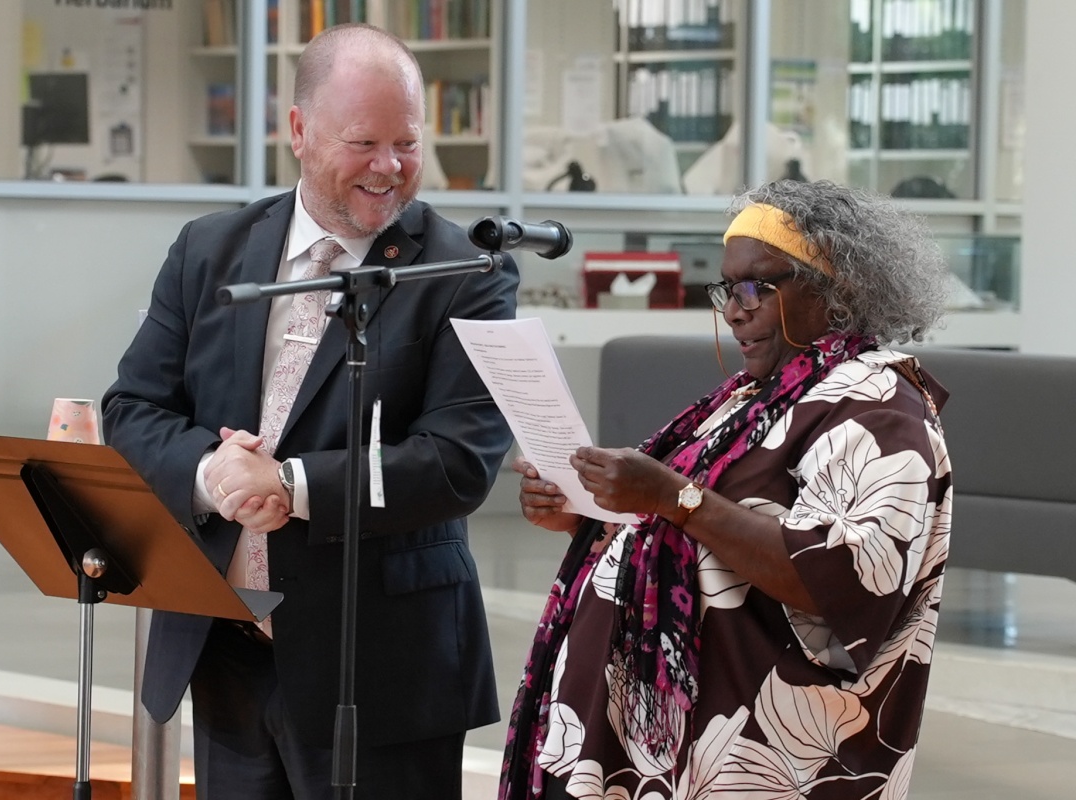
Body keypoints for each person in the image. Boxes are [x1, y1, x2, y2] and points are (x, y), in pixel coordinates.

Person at [102, 23, 518, 800]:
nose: (389, 168)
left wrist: (288, 484)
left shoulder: (466, 271)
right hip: (230, 649)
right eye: (363, 142)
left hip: (383, 667)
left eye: (407, 142)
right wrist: (211, 472)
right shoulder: (209, 250)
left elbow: (457, 461)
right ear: (297, 130)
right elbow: (131, 409)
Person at [501, 179, 953, 800]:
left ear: (837, 289)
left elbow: (841, 577)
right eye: (726, 290)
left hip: (761, 759)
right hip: (653, 746)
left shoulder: (879, 407)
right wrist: (586, 520)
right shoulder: (756, 396)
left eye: (755, 288)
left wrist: (673, 497)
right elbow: (701, 538)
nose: (734, 310)